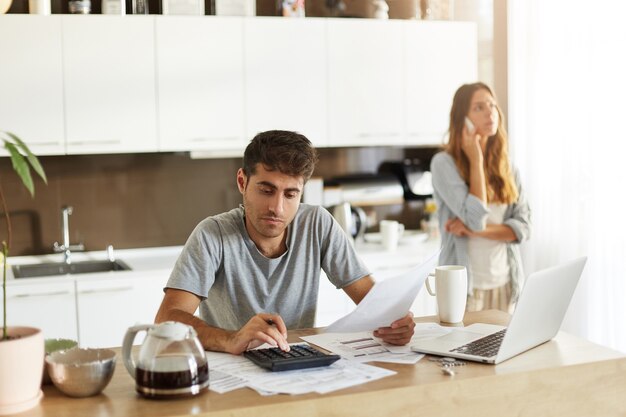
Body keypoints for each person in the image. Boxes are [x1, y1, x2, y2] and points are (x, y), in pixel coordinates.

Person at [155, 130, 415, 354]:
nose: (277, 208)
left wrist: (396, 323)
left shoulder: (317, 224)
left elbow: (374, 303)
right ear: (242, 182)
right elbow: (166, 320)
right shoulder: (212, 235)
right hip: (232, 367)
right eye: (266, 190)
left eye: (291, 194)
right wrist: (231, 339)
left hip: (298, 365)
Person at [430, 83, 531, 313]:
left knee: (504, 349)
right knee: (460, 349)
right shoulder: (444, 164)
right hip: (465, 290)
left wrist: (476, 230)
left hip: (506, 283)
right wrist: (476, 160)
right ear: (461, 119)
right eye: (479, 107)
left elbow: (524, 227)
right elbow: (476, 218)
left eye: (492, 105)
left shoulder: (508, 168)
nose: (490, 112)